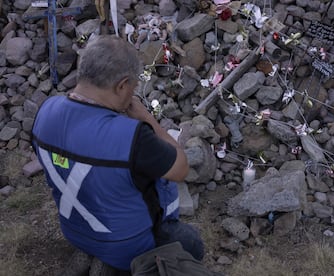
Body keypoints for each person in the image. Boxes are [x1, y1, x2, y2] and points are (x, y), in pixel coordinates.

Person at [31, 35, 204, 273]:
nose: (132, 94)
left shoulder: (45, 111)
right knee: (191, 243)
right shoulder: (133, 137)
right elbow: (181, 167)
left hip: (75, 231)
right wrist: (148, 119)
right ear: (122, 85)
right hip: (131, 247)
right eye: (132, 87)